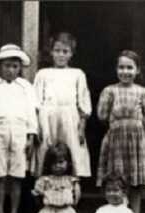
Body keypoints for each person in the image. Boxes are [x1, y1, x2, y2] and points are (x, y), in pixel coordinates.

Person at [0, 44, 38, 213]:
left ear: (20, 68)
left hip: (20, 132)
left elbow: (31, 112)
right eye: (7, 66)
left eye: (15, 66)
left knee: (16, 176)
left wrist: (30, 135)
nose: (11, 70)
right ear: (0, 66)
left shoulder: (26, 87)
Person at [96, 50, 145, 213]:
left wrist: (134, 124)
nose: (125, 72)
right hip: (116, 138)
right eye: (121, 67)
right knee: (116, 179)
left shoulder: (143, 91)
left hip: (136, 138)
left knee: (135, 181)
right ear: (116, 69)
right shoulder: (110, 90)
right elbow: (102, 115)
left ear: (137, 70)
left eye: (130, 68)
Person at [33, 31, 92, 178]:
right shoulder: (43, 74)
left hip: (70, 117)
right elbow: (36, 102)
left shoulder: (77, 74)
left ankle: (71, 190)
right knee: (47, 150)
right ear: (51, 52)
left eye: (65, 51)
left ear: (71, 54)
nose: (61, 55)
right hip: (47, 117)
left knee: (71, 150)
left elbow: (83, 102)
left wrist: (82, 127)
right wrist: (37, 127)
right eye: (57, 51)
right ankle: (44, 189)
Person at [25, 142, 82, 213]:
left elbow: (76, 199)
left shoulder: (71, 181)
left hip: (66, 212)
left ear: (68, 162)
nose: (57, 166)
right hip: (49, 211)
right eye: (54, 163)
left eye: (61, 162)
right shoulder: (45, 180)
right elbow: (37, 196)